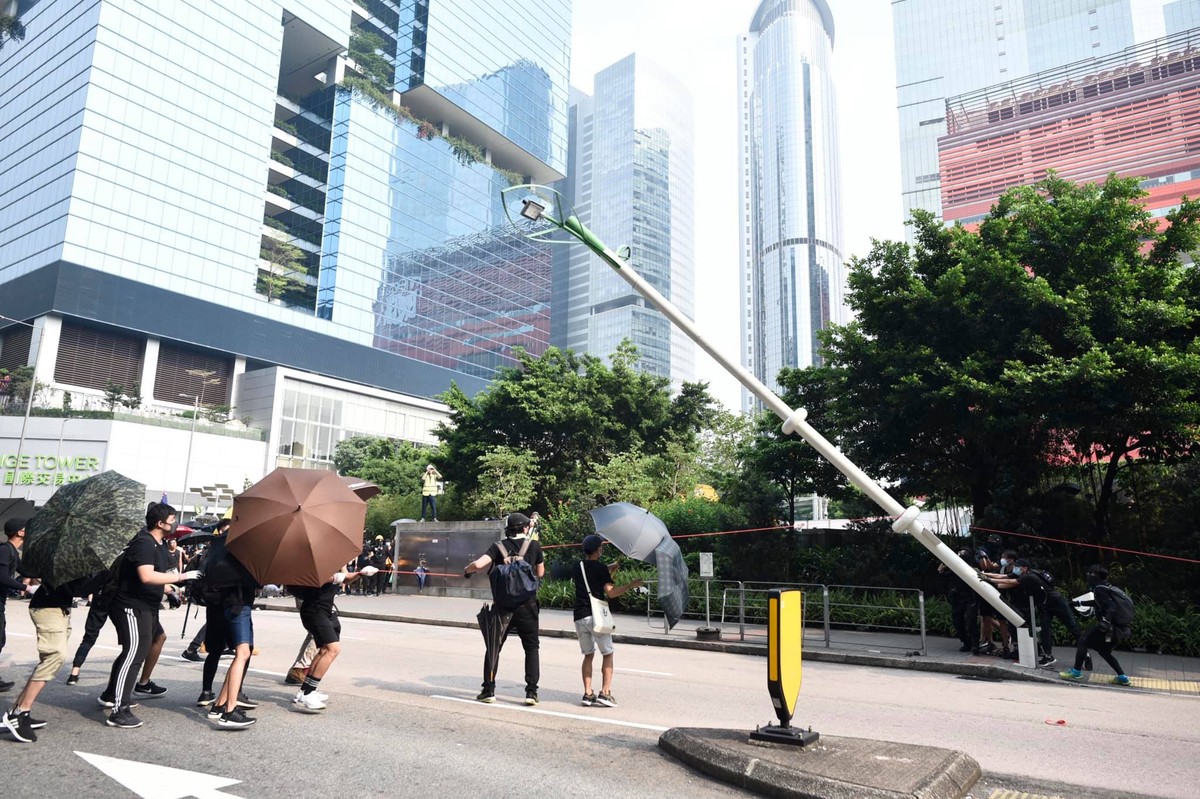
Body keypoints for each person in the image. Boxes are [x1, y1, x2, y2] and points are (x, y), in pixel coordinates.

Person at [100, 503, 200, 729]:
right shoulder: (144, 543)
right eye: (172, 518)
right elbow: (146, 576)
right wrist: (181, 577)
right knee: (134, 653)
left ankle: (115, 692)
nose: (175, 522)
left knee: (158, 638)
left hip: (149, 605)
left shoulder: (160, 545)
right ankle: (119, 708)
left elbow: (155, 576)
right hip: (132, 606)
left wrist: (170, 590)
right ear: (160, 523)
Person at [2, 571, 107, 742]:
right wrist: (103, 577)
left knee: (49, 660)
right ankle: (20, 713)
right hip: (48, 608)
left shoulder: (76, 560)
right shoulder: (69, 561)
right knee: (54, 656)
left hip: (57, 609)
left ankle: (17, 710)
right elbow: (75, 589)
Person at [464, 512, 544, 705]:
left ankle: (488, 690)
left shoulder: (498, 547)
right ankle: (531, 693)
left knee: (494, 647)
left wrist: (467, 571)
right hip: (528, 606)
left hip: (503, 608)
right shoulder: (534, 546)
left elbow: (479, 564)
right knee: (531, 648)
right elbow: (540, 572)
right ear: (525, 528)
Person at [198, 533, 260, 729]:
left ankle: (218, 706)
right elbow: (254, 578)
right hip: (239, 605)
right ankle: (230, 711)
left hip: (232, 604)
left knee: (243, 653)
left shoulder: (223, 544)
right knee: (242, 654)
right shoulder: (242, 547)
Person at [574, 534, 642, 707]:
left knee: (588, 655)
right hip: (597, 617)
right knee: (607, 653)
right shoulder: (602, 569)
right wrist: (631, 585)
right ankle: (605, 693)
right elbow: (611, 592)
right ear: (599, 550)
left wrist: (615, 565)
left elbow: (596, 572)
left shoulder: (578, 566)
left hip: (580, 616)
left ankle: (587, 694)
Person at [287, 567, 369, 711]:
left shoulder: (333, 559)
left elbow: (345, 578)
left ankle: (304, 690)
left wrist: (360, 573)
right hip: (314, 610)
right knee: (333, 649)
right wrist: (331, 578)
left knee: (324, 650)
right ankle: (308, 694)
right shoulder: (312, 562)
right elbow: (302, 582)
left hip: (326, 610)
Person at [985, 558, 1080, 666]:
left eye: (1018, 567)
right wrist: (986, 575)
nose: (1015, 569)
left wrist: (989, 580)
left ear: (1025, 568)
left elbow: (1008, 581)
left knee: (1072, 627)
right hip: (1044, 606)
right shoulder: (1024, 574)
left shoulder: (1029, 577)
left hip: (1057, 603)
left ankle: (1084, 653)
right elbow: (1005, 577)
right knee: (1045, 631)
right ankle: (1048, 656)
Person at [1061, 565, 1133, 685]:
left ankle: (1076, 672)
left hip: (1108, 627)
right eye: (1089, 572)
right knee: (1104, 651)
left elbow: (1112, 607)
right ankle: (1122, 677)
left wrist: (1105, 621)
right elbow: (1099, 602)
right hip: (1118, 627)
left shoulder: (1100, 589)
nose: (1088, 575)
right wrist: (1078, 603)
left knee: (1083, 641)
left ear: (1098, 577)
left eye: (1092, 573)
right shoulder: (1105, 587)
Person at [1, 518, 36, 692]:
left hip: (1, 602)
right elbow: (2, 577)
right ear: (19, 532)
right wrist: (26, 587)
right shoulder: (5, 550)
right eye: (26, 528)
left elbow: (27, 571)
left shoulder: (14, 552)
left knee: (0, 639)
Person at [940, 549, 978, 653]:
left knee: (971, 621)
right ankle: (966, 643)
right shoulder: (952, 569)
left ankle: (975, 644)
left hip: (970, 597)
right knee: (957, 621)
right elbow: (944, 579)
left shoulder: (971, 569)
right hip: (957, 598)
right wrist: (942, 571)